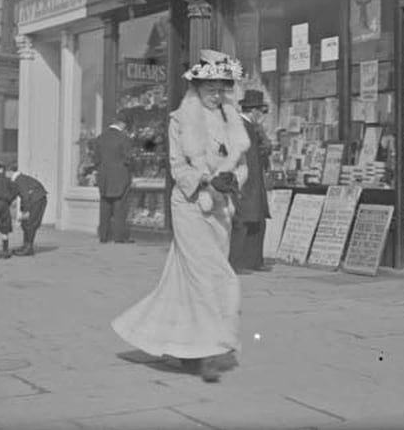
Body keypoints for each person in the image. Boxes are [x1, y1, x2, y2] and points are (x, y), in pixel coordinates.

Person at [111, 49, 250, 383]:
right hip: (189, 206)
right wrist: (205, 179)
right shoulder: (180, 119)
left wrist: (233, 180)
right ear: (196, 88)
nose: (216, 94)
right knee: (211, 275)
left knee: (187, 277)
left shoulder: (234, 120)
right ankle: (207, 349)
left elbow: (241, 165)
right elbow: (177, 166)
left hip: (219, 209)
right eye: (210, 87)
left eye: (222, 87)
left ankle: (179, 342)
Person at [229, 89, 273, 274]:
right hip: (245, 181)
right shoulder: (240, 126)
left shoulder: (252, 127)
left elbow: (264, 151)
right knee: (242, 222)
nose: (261, 116)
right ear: (254, 111)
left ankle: (254, 261)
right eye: (260, 112)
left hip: (255, 181)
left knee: (258, 221)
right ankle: (236, 262)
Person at [92, 112, 134, 243]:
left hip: (104, 177)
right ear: (123, 124)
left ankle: (103, 236)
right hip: (121, 176)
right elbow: (128, 158)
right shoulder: (124, 138)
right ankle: (119, 237)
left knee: (104, 206)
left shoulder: (100, 138)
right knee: (120, 207)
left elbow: (96, 159)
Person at [6, 163, 48, 256]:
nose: (5, 175)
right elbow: (16, 194)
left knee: (30, 223)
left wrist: (25, 211)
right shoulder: (18, 179)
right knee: (25, 223)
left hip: (36, 200)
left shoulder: (19, 179)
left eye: (6, 172)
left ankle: (29, 248)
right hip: (35, 200)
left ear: (10, 172)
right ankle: (26, 246)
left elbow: (25, 196)